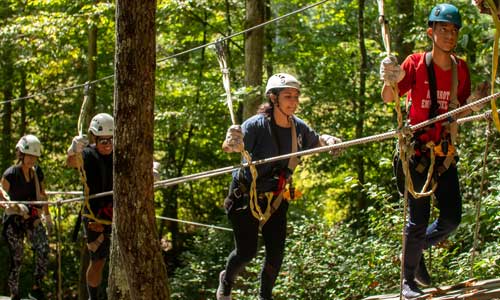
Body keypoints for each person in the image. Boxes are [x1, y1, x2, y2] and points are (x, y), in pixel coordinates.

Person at [380, 3, 488, 298]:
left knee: (452, 217)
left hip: (444, 153)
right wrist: (389, 75)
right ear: (431, 32)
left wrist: (480, 103)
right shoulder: (415, 63)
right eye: (443, 29)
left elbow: (462, 108)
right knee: (418, 218)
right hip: (417, 154)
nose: (449, 35)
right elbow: (389, 96)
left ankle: (413, 251)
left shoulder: (460, 69)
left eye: (453, 30)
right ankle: (407, 282)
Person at [216, 73, 342, 300]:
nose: (293, 102)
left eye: (296, 96)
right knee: (247, 252)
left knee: (276, 255)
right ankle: (226, 280)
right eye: (287, 96)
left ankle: (265, 297)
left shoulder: (298, 128)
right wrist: (231, 141)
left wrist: (330, 140)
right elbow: (230, 146)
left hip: (275, 198)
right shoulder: (255, 126)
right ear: (273, 99)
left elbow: (317, 141)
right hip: (246, 197)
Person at [67, 113, 113, 300]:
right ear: (94, 138)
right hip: (94, 215)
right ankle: (93, 298)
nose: (108, 145)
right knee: (98, 260)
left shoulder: (118, 154)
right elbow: (71, 163)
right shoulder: (87, 154)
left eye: (111, 140)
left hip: (116, 213)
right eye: (103, 141)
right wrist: (73, 151)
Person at [0, 134, 52, 300]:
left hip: (31, 218)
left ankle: (36, 287)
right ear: (21, 155)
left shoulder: (37, 174)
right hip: (13, 220)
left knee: (43, 248)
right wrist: (15, 206)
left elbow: (42, 196)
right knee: (17, 256)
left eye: (34, 157)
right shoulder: (10, 174)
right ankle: (14, 293)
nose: (31, 160)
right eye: (28, 156)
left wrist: (47, 216)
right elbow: (1, 198)